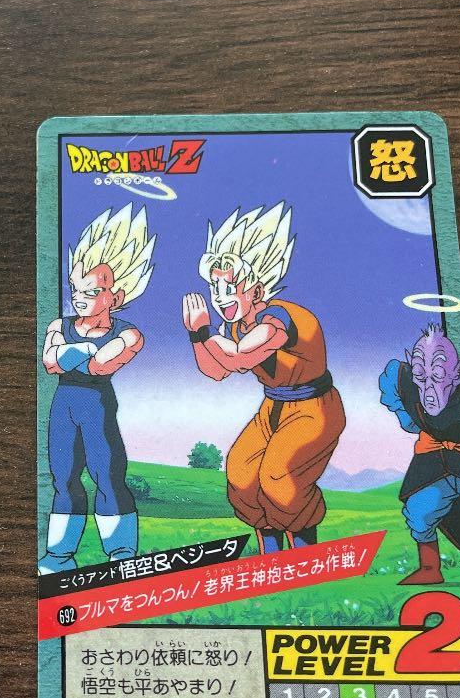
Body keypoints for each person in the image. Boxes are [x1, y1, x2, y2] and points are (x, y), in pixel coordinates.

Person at [183, 203, 345, 551]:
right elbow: (216, 371)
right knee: (241, 476)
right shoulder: (233, 326)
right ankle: (271, 556)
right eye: (214, 287)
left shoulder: (280, 317)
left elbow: (242, 357)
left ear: (256, 291)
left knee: (278, 478)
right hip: (272, 407)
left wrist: (206, 332)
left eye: (229, 287)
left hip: (314, 409)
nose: (219, 297)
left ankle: (305, 554)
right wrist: (197, 336)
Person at [39, 205, 155, 572]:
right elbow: (50, 362)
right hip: (63, 406)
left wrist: (74, 353)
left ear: (115, 297)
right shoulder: (59, 324)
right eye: (75, 288)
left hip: (97, 407)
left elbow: (100, 366)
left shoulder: (129, 333)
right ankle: (59, 555)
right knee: (63, 478)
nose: (79, 297)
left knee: (107, 476)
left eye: (91, 291)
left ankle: (121, 553)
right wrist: (85, 350)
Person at [379, 324, 460, 585]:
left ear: (459, 371)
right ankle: (430, 568)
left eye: (437, 376)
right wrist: (409, 417)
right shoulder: (403, 383)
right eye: (420, 377)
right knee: (419, 510)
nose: (428, 389)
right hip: (435, 462)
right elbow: (404, 413)